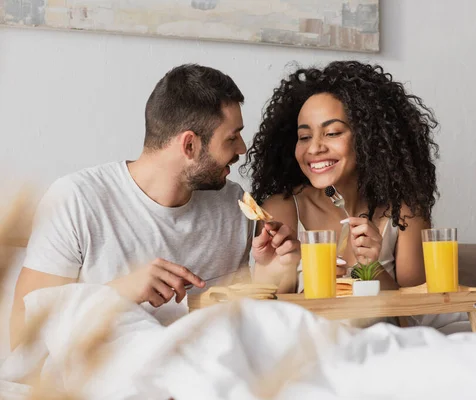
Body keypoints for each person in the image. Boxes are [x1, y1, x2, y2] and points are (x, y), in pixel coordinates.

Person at [10, 64, 300, 349]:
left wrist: (269, 274)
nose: (242, 150)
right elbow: (23, 336)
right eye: (232, 137)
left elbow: (241, 325)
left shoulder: (231, 204)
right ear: (189, 145)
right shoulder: (76, 199)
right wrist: (123, 292)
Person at [243, 60, 439, 294]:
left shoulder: (405, 214)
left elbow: (414, 319)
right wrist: (272, 271)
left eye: (332, 133)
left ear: (368, 137)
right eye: (304, 137)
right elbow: (268, 320)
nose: (314, 148)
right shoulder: (282, 212)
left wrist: (372, 269)